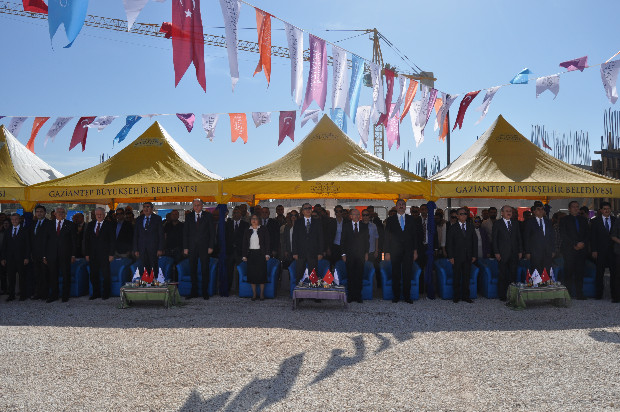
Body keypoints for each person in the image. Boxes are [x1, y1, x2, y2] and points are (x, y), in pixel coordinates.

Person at [384, 199, 418, 304]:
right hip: (395, 251)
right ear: (396, 206)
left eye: (403, 204)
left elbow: (415, 237)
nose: (401, 206)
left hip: (408, 251)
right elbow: (386, 238)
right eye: (399, 204)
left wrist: (415, 251)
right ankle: (396, 296)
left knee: (407, 273)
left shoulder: (411, 219)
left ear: (406, 206)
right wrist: (387, 252)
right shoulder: (390, 220)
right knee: (396, 274)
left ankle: (407, 297)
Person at [183, 199, 215, 299]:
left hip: (204, 247)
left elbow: (212, 233)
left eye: (198, 205)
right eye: (195, 205)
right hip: (192, 247)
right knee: (193, 269)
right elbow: (186, 233)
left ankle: (205, 292)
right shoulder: (189, 216)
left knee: (205, 268)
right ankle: (194, 292)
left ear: (202, 206)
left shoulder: (208, 216)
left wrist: (211, 246)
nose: (196, 207)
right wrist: (185, 247)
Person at [446, 208, 477, 303]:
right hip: (456, 257)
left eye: (465, 214)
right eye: (461, 214)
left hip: (468, 256)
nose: (463, 215)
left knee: (466, 277)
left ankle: (466, 296)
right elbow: (449, 243)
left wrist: (474, 255)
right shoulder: (452, 227)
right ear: (457, 216)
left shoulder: (471, 226)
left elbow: (474, 242)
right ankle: (456, 296)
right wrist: (450, 257)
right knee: (457, 277)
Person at [560, 201, 589, 299]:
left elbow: (587, 234)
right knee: (568, 272)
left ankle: (579, 294)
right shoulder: (564, 220)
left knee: (579, 272)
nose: (576, 208)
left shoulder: (583, 220)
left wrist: (582, 243)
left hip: (581, 250)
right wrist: (574, 244)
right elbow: (563, 235)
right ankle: (568, 294)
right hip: (569, 250)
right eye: (573, 207)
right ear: (569, 208)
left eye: (577, 207)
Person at [492, 205, 522, 302]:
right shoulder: (497, 223)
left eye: (510, 211)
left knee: (513, 275)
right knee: (503, 275)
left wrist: (520, 251)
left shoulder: (515, 223)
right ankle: (502, 295)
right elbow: (494, 239)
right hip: (502, 254)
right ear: (502, 213)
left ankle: (512, 294)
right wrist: (496, 252)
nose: (509, 212)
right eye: (507, 211)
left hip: (514, 253)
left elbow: (519, 238)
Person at [47, 207, 77, 303]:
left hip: (66, 255)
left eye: (62, 212)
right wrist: (45, 255)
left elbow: (74, 241)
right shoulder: (49, 224)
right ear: (54, 214)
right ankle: (54, 295)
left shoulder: (70, 225)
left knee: (65, 275)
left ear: (65, 214)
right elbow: (45, 241)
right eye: (58, 212)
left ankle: (65, 295)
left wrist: (73, 255)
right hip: (52, 255)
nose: (60, 214)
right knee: (52, 275)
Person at [84, 207, 115, 300]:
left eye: (101, 214)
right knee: (93, 275)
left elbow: (112, 241)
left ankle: (106, 293)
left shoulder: (109, 225)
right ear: (95, 215)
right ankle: (96, 293)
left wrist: (111, 254)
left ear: (104, 215)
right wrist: (87, 254)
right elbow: (86, 240)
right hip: (93, 255)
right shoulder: (90, 225)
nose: (99, 215)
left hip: (105, 255)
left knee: (106, 275)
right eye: (97, 214)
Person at [340, 209, 369, 303]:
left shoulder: (364, 226)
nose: (356, 216)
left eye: (358, 214)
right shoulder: (346, 226)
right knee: (351, 275)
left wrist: (366, 253)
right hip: (349, 255)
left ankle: (358, 296)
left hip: (360, 255)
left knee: (359, 275)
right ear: (350, 216)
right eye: (354, 214)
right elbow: (342, 241)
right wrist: (343, 254)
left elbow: (366, 241)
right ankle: (351, 296)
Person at [1, 213, 31, 301]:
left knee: (22, 278)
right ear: (11, 220)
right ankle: (11, 295)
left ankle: (23, 295)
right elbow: (4, 246)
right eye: (12, 219)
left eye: (16, 219)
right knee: (11, 278)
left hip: (21, 258)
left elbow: (28, 245)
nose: (14, 221)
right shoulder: (7, 231)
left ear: (19, 219)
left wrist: (27, 257)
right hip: (10, 259)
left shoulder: (25, 230)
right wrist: (2, 258)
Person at [292, 203, 324, 282]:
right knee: (299, 274)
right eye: (306, 208)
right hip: (300, 252)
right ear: (302, 211)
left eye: (309, 208)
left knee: (313, 276)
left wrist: (320, 252)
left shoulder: (317, 222)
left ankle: (313, 292)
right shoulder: (298, 222)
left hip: (313, 252)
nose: (308, 210)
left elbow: (320, 238)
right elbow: (294, 238)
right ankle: (298, 292)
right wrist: (295, 252)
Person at [242, 214, 270, 301]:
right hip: (251, 254)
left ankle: (261, 294)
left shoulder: (263, 229)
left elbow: (267, 242)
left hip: (261, 254)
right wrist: (244, 255)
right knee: (252, 274)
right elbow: (245, 244)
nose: (254, 220)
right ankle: (254, 294)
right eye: (252, 219)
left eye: (256, 219)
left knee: (261, 274)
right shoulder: (247, 230)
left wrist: (267, 254)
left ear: (259, 220)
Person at [590, 201, 615, 300]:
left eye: (608, 209)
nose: (607, 210)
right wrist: (594, 250)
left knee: (615, 273)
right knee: (599, 273)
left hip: (613, 252)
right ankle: (598, 294)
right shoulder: (595, 221)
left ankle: (614, 295)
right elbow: (593, 237)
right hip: (600, 251)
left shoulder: (615, 220)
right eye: (604, 209)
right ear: (601, 210)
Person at [523, 201, 555, 276]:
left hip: (547, 251)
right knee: (536, 271)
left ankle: (546, 286)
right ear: (534, 211)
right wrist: (527, 252)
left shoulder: (548, 222)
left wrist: (553, 250)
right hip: (535, 252)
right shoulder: (529, 222)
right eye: (538, 209)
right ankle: (536, 287)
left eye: (542, 209)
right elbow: (526, 238)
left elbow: (552, 237)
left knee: (547, 271)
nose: (541, 211)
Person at [134, 202, 164, 278]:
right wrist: (136, 249)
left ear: (152, 208)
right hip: (142, 248)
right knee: (143, 270)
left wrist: (160, 248)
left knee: (154, 269)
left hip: (153, 248)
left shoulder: (157, 218)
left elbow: (161, 235)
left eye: (148, 207)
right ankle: (144, 286)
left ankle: (154, 286)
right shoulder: (138, 219)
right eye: (144, 207)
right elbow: (136, 235)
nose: (146, 208)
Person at [30, 205, 53, 300]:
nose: (39, 213)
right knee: (36, 275)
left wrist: (46, 255)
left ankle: (45, 294)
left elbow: (50, 241)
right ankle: (37, 293)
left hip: (45, 255)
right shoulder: (33, 224)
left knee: (45, 275)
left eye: (41, 211)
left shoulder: (50, 224)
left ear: (45, 213)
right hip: (35, 255)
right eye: (37, 211)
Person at [225, 206, 249, 294]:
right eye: (234, 213)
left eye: (237, 212)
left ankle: (241, 289)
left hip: (240, 251)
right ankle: (228, 289)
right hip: (230, 251)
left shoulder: (245, 224)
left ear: (241, 214)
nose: (235, 214)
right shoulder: (227, 224)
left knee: (241, 270)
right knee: (229, 271)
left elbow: (247, 239)